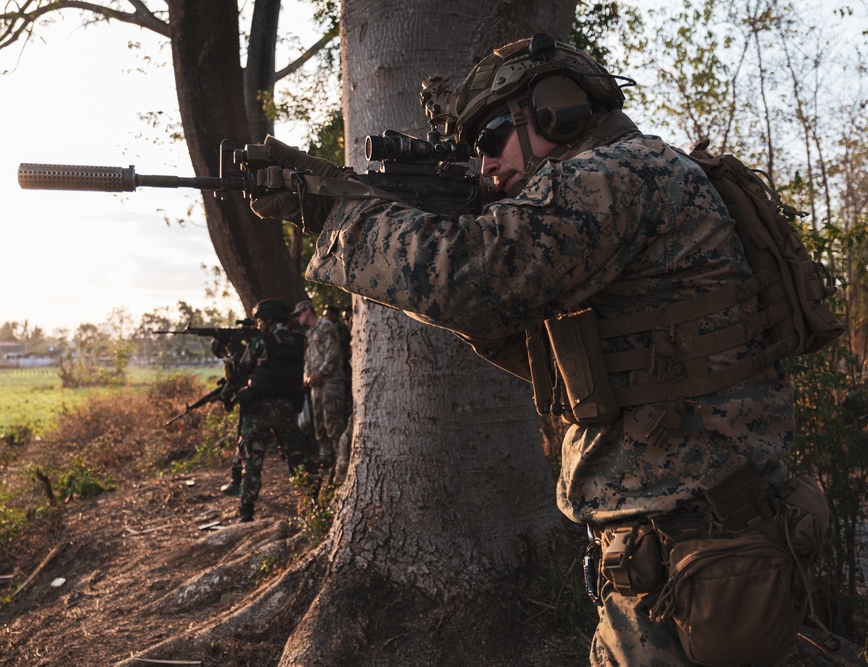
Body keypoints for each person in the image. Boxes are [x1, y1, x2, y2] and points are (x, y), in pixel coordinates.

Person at [249, 34, 804, 665]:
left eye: (489, 140)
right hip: (683, 543)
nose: (483, 165)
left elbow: (478, 278)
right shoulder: (637, 178)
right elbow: (535, 340)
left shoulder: (616, 175)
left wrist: (338, 216)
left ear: (555, 110)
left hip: (700, 552)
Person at [231, 298, 315, 523]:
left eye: (259, 320)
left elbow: (242, 367)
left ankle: (246, 513)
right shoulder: (300, 340)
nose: (257, 324)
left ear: (268, 320)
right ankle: (313, 504)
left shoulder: (261, 342)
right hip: (287, 408)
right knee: (299, 457)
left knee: (252, 461)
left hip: (259, 409)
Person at [292, 300, 348, 479]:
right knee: (319, 421)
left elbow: (333, 352)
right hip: (316, 385)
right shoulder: (309, 333)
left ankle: (341, 458)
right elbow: (308, 360)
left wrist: (322, 372)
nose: (297, 318)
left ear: (308, 311)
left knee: (333, 420)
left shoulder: (325, 326)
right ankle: (326, 457)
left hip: (331, 382)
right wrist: (306, 377)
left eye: (299, 313)